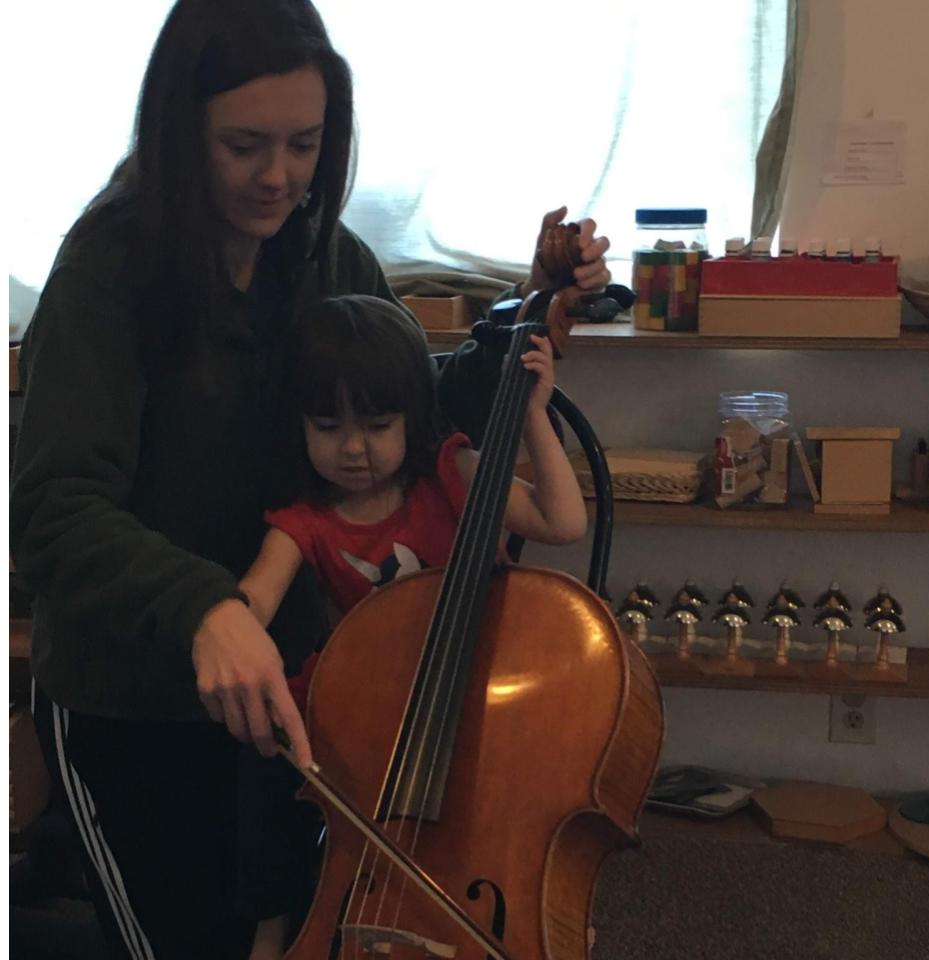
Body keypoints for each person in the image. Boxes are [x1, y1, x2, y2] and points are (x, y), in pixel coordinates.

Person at [9, 0, 611, 957]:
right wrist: (208, 608)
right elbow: (53, 510)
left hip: (301, 696)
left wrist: (523, 318)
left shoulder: (327, 253)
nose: (279, 177)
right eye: (244, 146)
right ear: (179, 133)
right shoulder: (106, 270)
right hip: (133, 701)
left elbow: (410, 409)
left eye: (304, 144)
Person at [236, 293, 587, 957]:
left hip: (475, 695)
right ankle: (272, 923)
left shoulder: (452, 474)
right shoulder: (304, 520)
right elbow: (254, 595)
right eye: (328, 426)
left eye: (377, 424)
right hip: (367, 704)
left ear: (413, 415)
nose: (354, 448)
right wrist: (226, 631)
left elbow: (563, 522)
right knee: (268, 768)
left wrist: (532, 417)